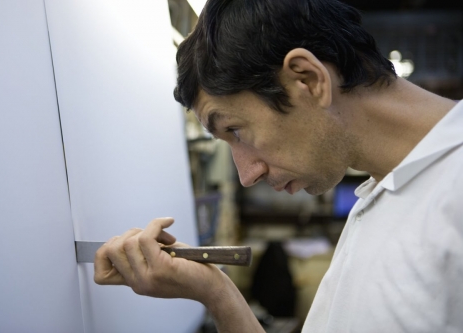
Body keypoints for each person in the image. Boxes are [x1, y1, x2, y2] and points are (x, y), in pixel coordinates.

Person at [94, 0, 463, 331]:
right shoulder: (384, 191)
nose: (247, 174)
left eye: (236, 130)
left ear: (307, 79)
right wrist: (216, 292)